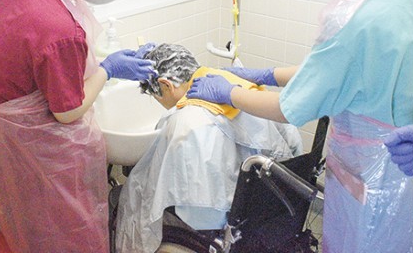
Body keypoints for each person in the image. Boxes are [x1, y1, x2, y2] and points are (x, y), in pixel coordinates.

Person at [186, 0, 413, 253]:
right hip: (404, 179)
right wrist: (266, 74)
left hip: (371, 180)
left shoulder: (350, 15)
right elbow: (341, 72)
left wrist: (229, 91)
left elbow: (291, 108)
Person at [0, 0, 157, 253]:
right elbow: (67, 110)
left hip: (8, 137)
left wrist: (99, 66)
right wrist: (108, 69)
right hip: (37, 148)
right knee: (64, 233)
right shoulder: (60, 27)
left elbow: (41, 64)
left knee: (35, 229)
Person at [114, 43, 304, 253]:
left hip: (222, 226)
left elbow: (199, 218)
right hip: (273, 208)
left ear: (166, 85)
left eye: (157, 97)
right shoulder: (246, 91)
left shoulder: (185, 124)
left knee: (134, 200)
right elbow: (293, 146)